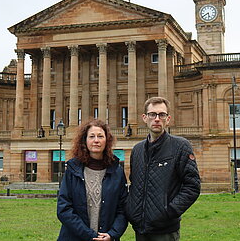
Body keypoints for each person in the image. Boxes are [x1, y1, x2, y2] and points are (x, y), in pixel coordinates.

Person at [126, 97, 201, 241]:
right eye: (152, 114)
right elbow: (134, 184)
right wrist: (131, 211)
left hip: (165, 230)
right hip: (140, 228)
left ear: (168, 119)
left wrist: (169, 212)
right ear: (145, 118)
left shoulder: (180, 146)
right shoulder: (137, 150)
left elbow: (192, 186)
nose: (157, 119)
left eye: (162, 115)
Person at [57, 119, 128, 241]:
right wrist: (90, 235)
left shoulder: (117, 171)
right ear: (85, 140)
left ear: (107, 140)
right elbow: (64, 208)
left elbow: (123, 209)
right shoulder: (72, 169)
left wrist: (112, 234)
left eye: (100, 136)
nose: (96, 140)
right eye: (92, 136)